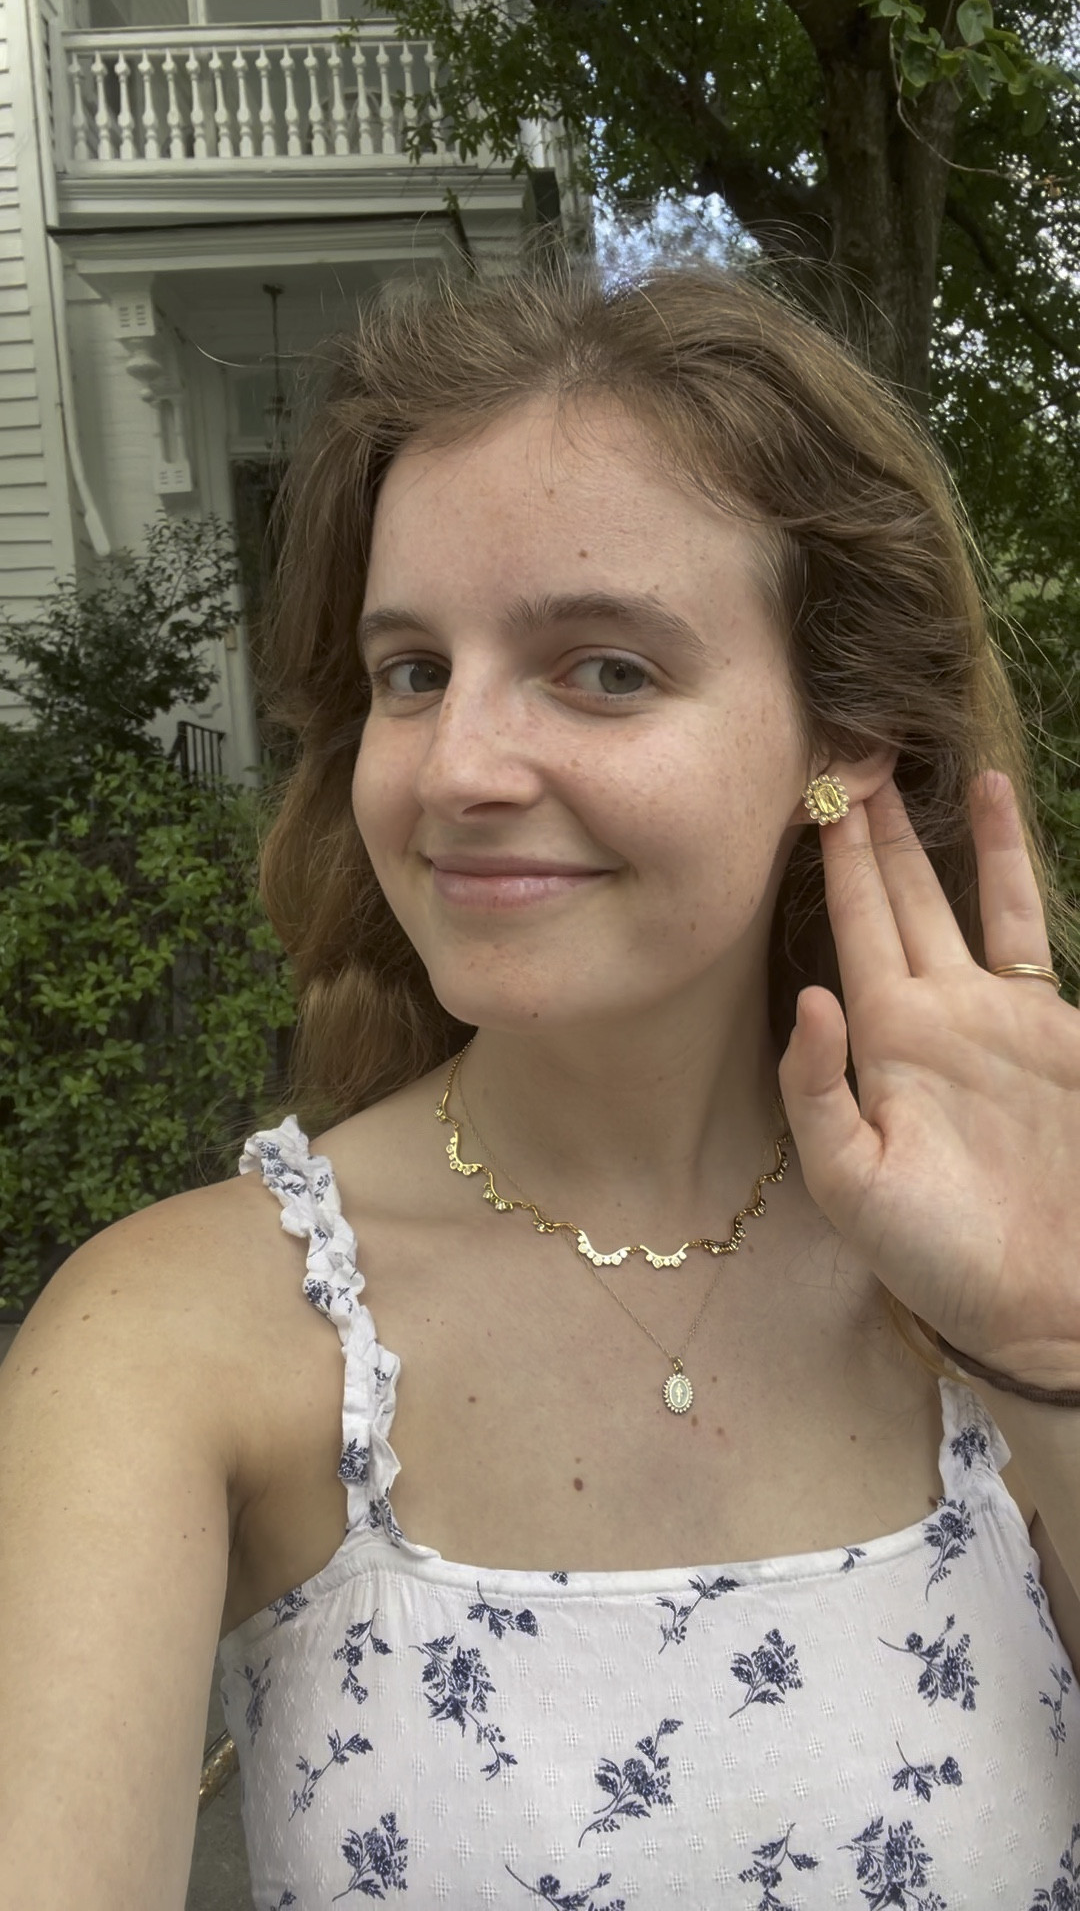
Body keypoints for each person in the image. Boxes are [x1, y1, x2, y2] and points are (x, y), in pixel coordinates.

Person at [3, 254, 1080, 1911]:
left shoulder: (1015, 1257)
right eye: (413, 671)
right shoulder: (176, 1344)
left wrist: (1050, 1358)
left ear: (840, 740)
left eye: (605, 669)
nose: (456, 768)